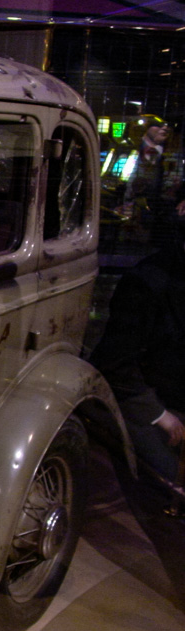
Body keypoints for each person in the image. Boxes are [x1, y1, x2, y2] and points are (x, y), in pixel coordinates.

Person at [90, 240, 185, 483]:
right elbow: (114, 362)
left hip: (173, 394)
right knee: (169, 474)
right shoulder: (147, 282)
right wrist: (160, 415)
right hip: (137, 396)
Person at [121, 121, 185, 247]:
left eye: (168, 125)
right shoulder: (131, 149)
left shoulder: (174, 154)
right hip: (133, 212)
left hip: (162, 216)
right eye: (158, 124)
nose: (165, 128)